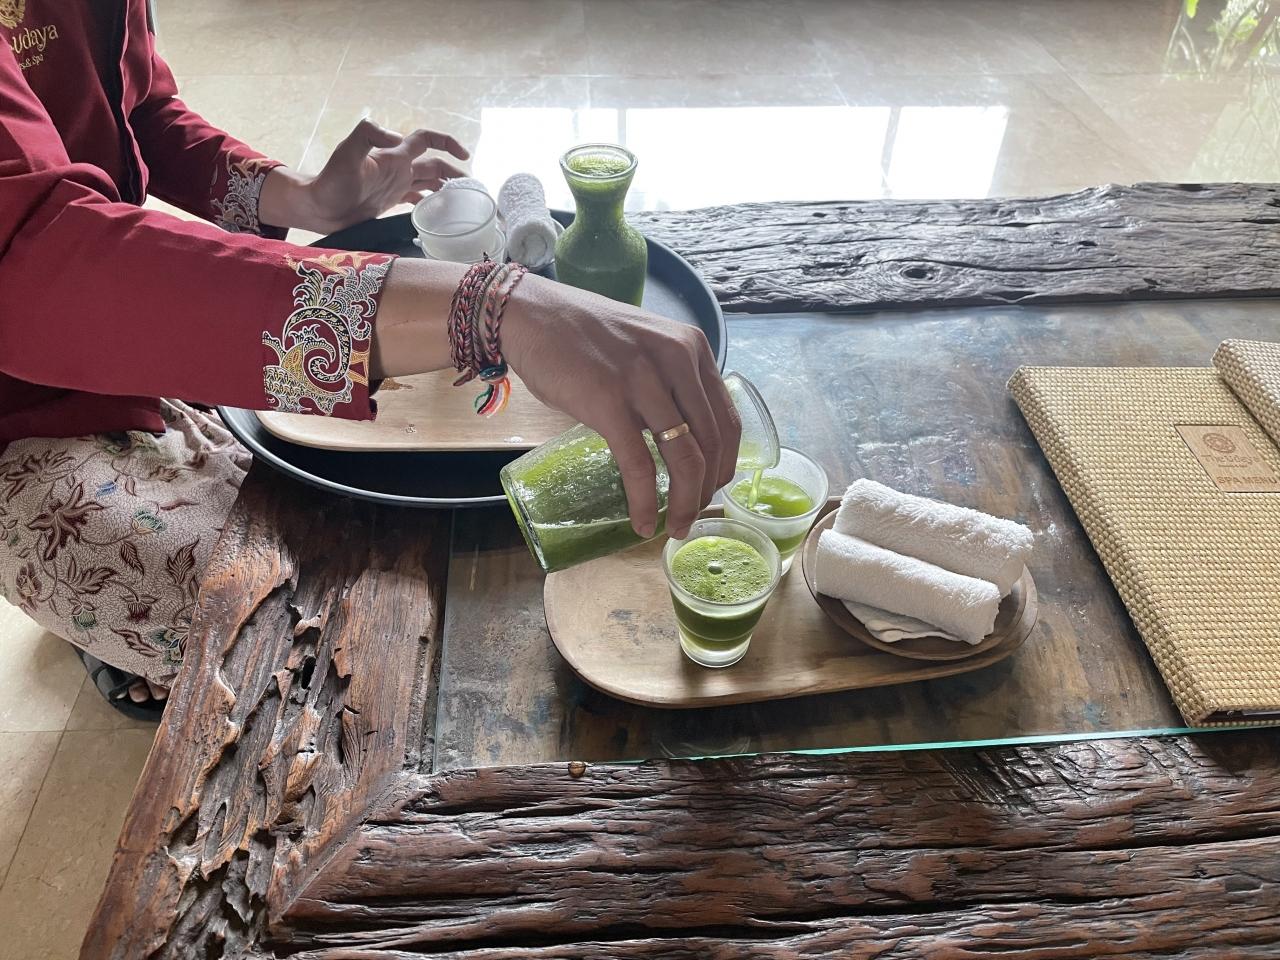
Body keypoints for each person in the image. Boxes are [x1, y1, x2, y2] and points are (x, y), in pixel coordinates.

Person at [0, 0, 739, 716]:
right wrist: (491, 306)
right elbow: (36, 258)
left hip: (146, 337)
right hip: (26, 417)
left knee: (414, 545)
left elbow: (139, 111)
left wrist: (305, 199)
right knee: (324, 637)